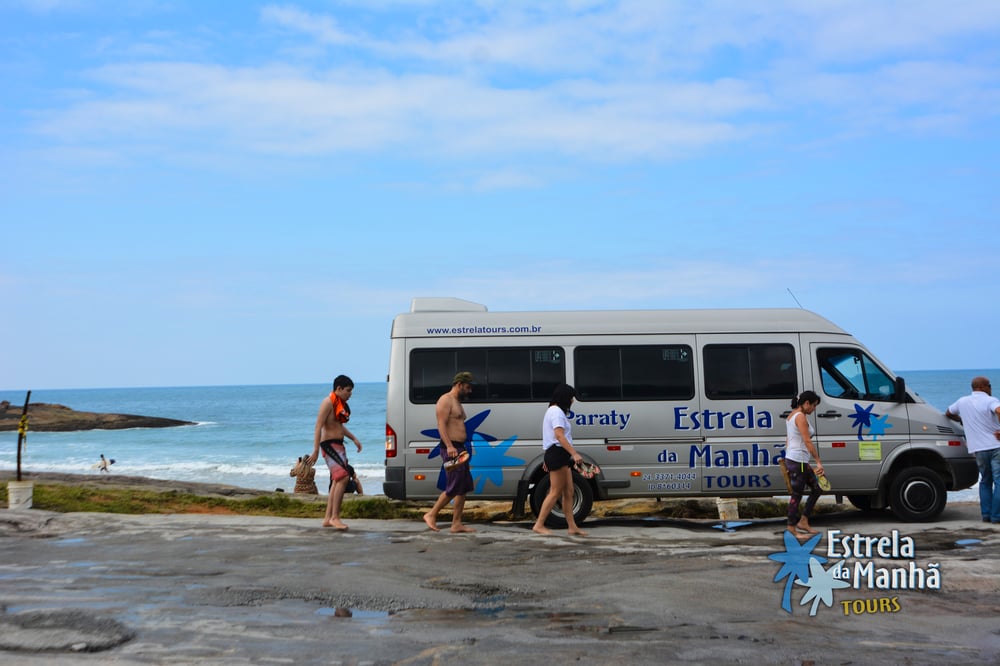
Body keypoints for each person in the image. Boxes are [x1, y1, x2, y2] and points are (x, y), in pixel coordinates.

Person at [422, 372, 477, 533]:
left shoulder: (457, 402)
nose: (470, 391)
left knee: (464, 486)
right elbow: (441, 424)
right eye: (467, 387)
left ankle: (456, 523)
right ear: (459, 384)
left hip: (460, 448)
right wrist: (449, 446)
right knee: (454, 485)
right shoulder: (445, 400)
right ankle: (431, 514)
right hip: (451, 448)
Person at [307, 375, 363, 530]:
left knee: (338, 480)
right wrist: (316, 450)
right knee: (344, 477)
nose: (350, 394)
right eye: (348, 391)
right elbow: (318, 426)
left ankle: (327, 518)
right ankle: (335, 517)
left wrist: (354, 438)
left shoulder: (339, 404)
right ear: (338, 389)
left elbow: (339, 426)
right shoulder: (327, 402)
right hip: (329, 445)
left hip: (338, 445)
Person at [532, 383, 588, 536]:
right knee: (555, 492)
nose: (572, 401)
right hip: (557, 453)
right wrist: (574, 454)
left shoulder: (553, 411)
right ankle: (539, 524)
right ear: (565, 398)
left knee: (569, 492)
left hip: (558, 454)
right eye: (571, 398)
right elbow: (559, 436)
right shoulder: (556, 412)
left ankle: (572, 526)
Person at [946, 376, 1000, 523]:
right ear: (983, 387)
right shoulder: (991, 400)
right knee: (999, 481)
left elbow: (948, 413)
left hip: (979, 449)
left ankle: (986, 515)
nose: (990, 388)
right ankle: (996, 516)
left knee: (986, 481)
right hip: (996, 446)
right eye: (989, 385)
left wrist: (962, 420)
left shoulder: (962, 402)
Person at [783, 390, 824, 538]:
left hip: (797, 460)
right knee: (797, 494)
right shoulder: (799, 417)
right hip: (798, 460)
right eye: (814, 405)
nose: (814, 409)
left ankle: (803, 521)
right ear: (806, 403)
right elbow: (807, 441)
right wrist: (818, 462)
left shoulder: (793, 415)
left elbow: (789, 440)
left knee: (817, 488)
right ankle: (791, 528)